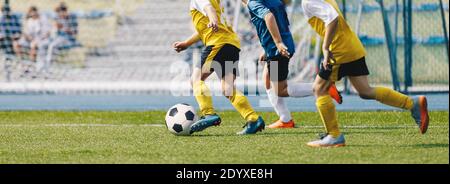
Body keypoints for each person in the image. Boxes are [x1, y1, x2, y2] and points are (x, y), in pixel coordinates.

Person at [301, 0, 429, 147]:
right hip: (351, 45)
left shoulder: (305, 2)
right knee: (365, 91)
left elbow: (332, 18)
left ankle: (332, 135)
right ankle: (412, 103)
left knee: (313, 89)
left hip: (335, 50)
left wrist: (325, 47)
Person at [241, 0, 342, 129]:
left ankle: (323, 87)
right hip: (282, 44)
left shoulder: (254, 3)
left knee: (281, 90)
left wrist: (277, 43)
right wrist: (267, 47)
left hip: (277, 50)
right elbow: (277, 19)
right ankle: (285, 119)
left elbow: (269, 17)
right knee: (267, 79)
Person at [173, 0, 265, 135]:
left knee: (195, 79)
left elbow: (209, 9)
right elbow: (204, 28)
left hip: (217, 43)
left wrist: (213, 19)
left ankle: (208, 113)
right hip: (232, 45)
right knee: (228, 88)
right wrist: (186, 43)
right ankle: (253, 119)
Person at [39, 2, 79, 72]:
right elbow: (53, 29)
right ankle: (41, 65)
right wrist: (47, 34)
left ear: (65, 11)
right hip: (56, 37)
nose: (59, 14)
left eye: (60, 12)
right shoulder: (57, 18)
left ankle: (49, 66)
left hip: (67, 39)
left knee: (52, 46)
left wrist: (63, 28)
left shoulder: (71, 18)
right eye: (58, 12)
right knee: (42, 44)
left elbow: (74, 33)